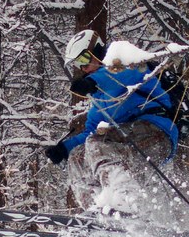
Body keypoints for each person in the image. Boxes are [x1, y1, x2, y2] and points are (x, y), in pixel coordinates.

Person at [44, 29, 179, 217]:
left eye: (83, 60)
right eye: (77, 64)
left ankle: (126, 199)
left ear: (97, 52)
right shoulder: (101, 100)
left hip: (156, 131)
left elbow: (119, 77)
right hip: (128, 141)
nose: (82, 68)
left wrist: (92, 82)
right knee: (77, 156)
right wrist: (64, 149)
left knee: (98, 142)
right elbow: (91, 131)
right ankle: (98, 208)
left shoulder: (129, 64)